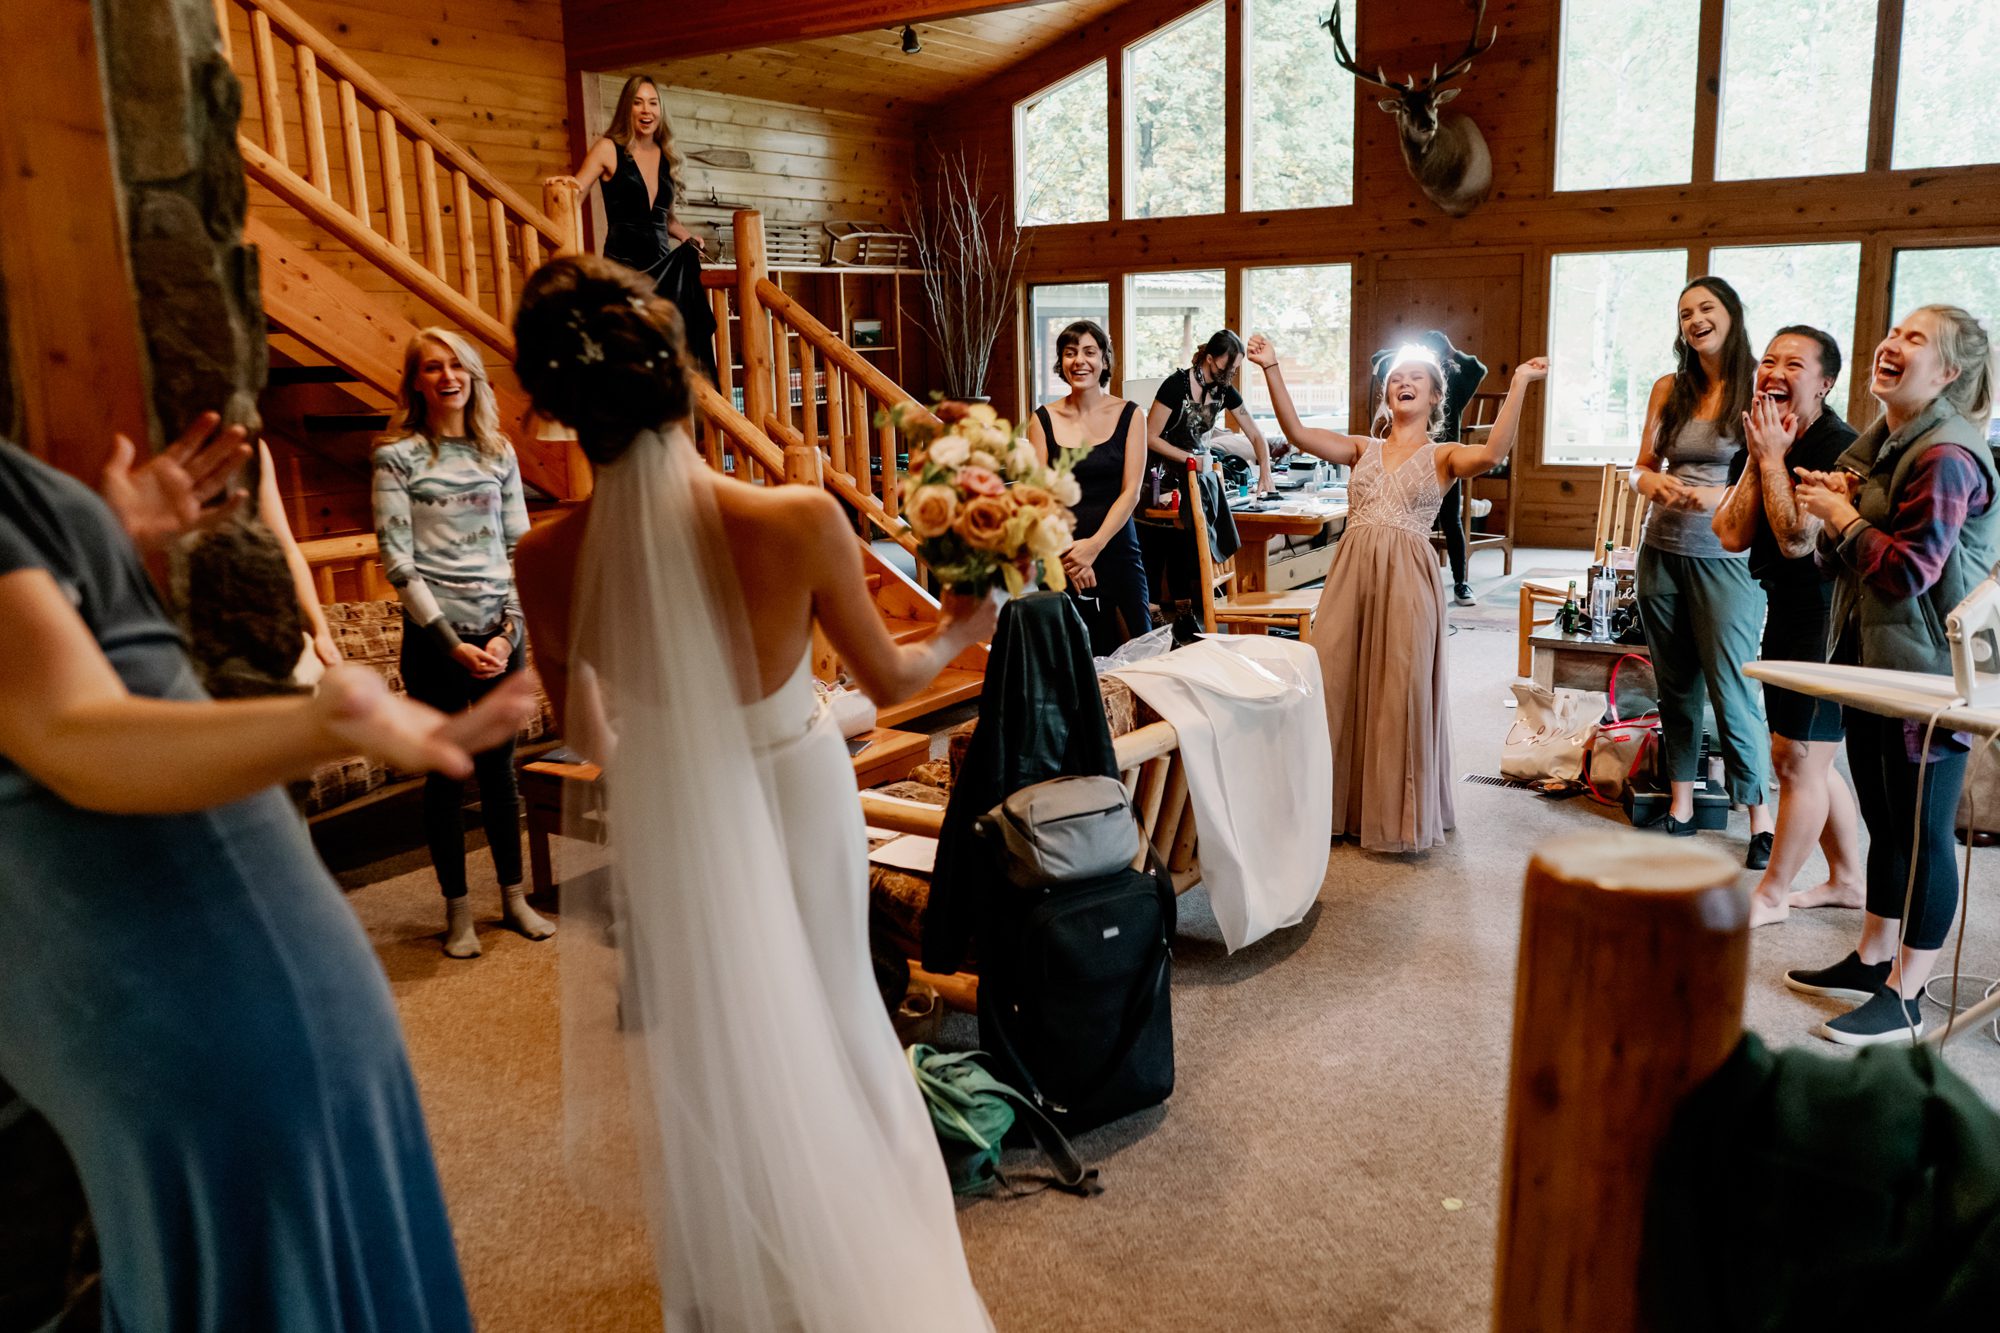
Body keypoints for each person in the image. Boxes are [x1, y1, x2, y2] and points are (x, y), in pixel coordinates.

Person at [508, 255, 996, 1330]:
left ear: (561, 406)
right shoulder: (794, 517)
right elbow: (895, 681)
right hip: (797, 785)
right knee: (838, 1009)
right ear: (682, 376)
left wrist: (670, 763)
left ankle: (741, 1279)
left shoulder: (541, 558)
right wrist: (965, 623)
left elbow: (582, 730)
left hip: (667, 811)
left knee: (710, 1036)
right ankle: (871, 1272)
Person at [0, 412, 537, 1332]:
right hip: (177, 969)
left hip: (176, 959)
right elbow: (65, 731)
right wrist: (323, 721)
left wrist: (104, 532)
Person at [1786, 305, 1999, 1044]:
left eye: (1916, 339)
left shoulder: (1947, 455)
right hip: (1875, 658)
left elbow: (1911, 571)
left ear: (1948, 373)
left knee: (1924, 831)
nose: (1892, 342)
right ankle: (1874, 956)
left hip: (1930, 674)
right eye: (1895, 331)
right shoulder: (1886, 443)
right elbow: (1848, 560)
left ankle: (1907, 994)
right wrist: (1839, 510)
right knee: (1885, 819)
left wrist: (1841, 517)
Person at [1249, 333, 1547, 852]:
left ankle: (1393, 816)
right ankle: (1334, 807)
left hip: (1409, 578)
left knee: (1398, 690)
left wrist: (1520, 382)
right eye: (1395, 379)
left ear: (1434, 396)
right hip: (1351, 577)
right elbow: (1296, 433)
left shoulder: (1443, 454)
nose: (1403, 383)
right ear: (1387, 395)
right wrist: (1271, 367)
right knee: (1335, 680)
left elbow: (1494, 452)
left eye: (1416, 378)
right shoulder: (1360, 448)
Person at [372, 328, 551, 959]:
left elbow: (519, 547)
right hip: (434, 641)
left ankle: (514, 899)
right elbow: (398, 561)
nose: (447, 377)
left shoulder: (497, 451)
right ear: (415, 382)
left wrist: (509, 632)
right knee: (447, 773)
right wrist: (450, 642)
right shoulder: (396, 456)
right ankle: (457, 913)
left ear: (473, 377)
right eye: (432, 367)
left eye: (457, 366)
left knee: (501, 773)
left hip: (501, 633)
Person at [1711, 326, 1864, 926]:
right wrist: (1761, 456)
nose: (1774, 372)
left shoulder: (1840, 447)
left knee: (1798, 759)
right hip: (1787, 608)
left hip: (1829, 616)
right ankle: (1848, 880)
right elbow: (1730, 534)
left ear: (1825, 383)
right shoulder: (1764, 436)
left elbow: (1798, 539)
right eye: (1769, 360)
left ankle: (1772, 896)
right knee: (1807, 759)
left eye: (1794, 364)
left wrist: (1773, 457)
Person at [1629, 276, 1775, 863]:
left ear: (1731, 315)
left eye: (1706, 308)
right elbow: (1641, 465)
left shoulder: (1761, 385)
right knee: (1675, 686)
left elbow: (1773, 471)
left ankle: (1760, 819)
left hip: (1727, 558)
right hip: (1661, 550)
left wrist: (1721, 497)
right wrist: (1649, 483)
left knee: (1733, 688)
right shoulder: (1669, 388)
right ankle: (1682, 804)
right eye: (1685, 312)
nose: (1694, 320)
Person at [566, 74, 718, 379]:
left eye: (652, 103)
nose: (646, 110)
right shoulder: (608, 148)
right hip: (622, 268)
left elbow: (665, 217)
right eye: (638, 103)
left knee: (669, 351)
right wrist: (564, 187)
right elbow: (574, 195)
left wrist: (687, 237)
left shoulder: (667, 156)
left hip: (662, 267)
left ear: (661, 110)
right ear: (628, 108)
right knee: (627, 353)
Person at [1027, 319, 1151, 654]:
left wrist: (1093, 547)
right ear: (1061, 362)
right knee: (1070, 658)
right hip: (1060, 554)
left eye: (1089, 352)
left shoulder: (1131, 415)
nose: (1079, 360)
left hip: (1117, 548)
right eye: (1070, 353)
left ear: (1105, 361)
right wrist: (1071, 555)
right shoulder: (1042, 419)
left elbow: (1131, 492)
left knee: (1141, 648)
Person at [1142, 329, 1275, 627]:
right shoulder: (1175, 386)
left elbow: (1255, 434)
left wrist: (1265, 471)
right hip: (1161, 477)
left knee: (1188, 547)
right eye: (1227, 367)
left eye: (1235, 370)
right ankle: (1154, 622)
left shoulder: (1224, 390)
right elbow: (1150, 437)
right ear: (1210, 358)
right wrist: (1189, 459)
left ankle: (1187, 617)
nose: (1230, 375)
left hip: (1197, 477)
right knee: (1158, 548)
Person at [1371, 331, 1489, 606]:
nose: (1408, 380)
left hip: (1442, 460)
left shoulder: (1453, 383)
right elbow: (1378, 359)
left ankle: (1461, 582)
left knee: (1451, 520)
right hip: (1406, 459)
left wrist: (1451, 351)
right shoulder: (1404, 381)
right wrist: (1410, 349)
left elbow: (1477, 368)